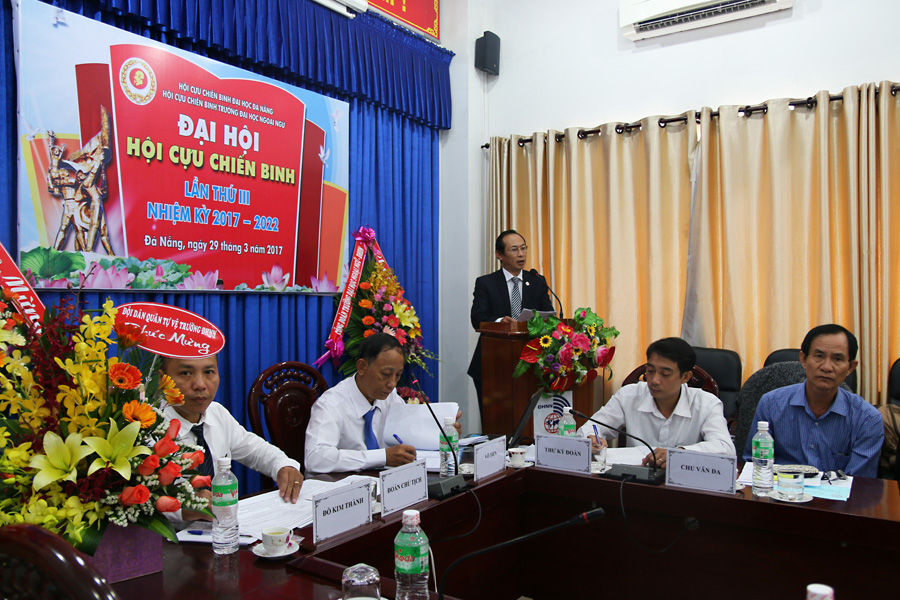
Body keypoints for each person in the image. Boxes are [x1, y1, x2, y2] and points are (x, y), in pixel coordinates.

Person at [160, 354, 304, 522]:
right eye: (186, 373)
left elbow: (255, 450)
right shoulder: (147, 427)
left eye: (208, 372)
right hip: (170, 536)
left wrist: (283, 465)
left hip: (222, 530)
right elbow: (139, 502)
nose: (200, 385)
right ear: (162, 379)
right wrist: (183, 509)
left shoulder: (217, 413)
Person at [305, 332, 460, 474]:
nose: (392, 384)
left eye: (398, 375)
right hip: (342, 487)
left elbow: (408, 435)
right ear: (362, 367)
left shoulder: (390, 396)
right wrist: (381, 457)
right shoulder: (331, 404)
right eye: (386, 374)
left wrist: (444, 433)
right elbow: (315, 458)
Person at [743, 324, 884, 477]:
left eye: (837, 359)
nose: (826, 367)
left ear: (850, 367)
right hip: (779, 489)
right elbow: (756, 466)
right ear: (803, 359)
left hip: (836, 493)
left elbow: (859, 483)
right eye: (819, 356)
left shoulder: (868, 419)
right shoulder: (771, 404)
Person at [578, 337, 735, 468]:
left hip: (684, 485)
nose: (654, 380)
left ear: (685, 377)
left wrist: (679, 454)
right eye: (650, 371)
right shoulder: (629, 395)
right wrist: (592, 438)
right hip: (633, 482)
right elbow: (589, 428)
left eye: (665, 374)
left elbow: (725, 448)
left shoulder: (706, 404)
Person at [467, 230, 555, 408]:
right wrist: (500, 322)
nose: (521, 254)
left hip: (531, 364)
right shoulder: (486, 283)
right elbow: (477, 318)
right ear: (499, 255)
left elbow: (549, 315)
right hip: (492, 363)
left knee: (528, 417)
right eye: (514, 249)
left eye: (523, 248)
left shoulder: (537, 281)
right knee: (495, 417)